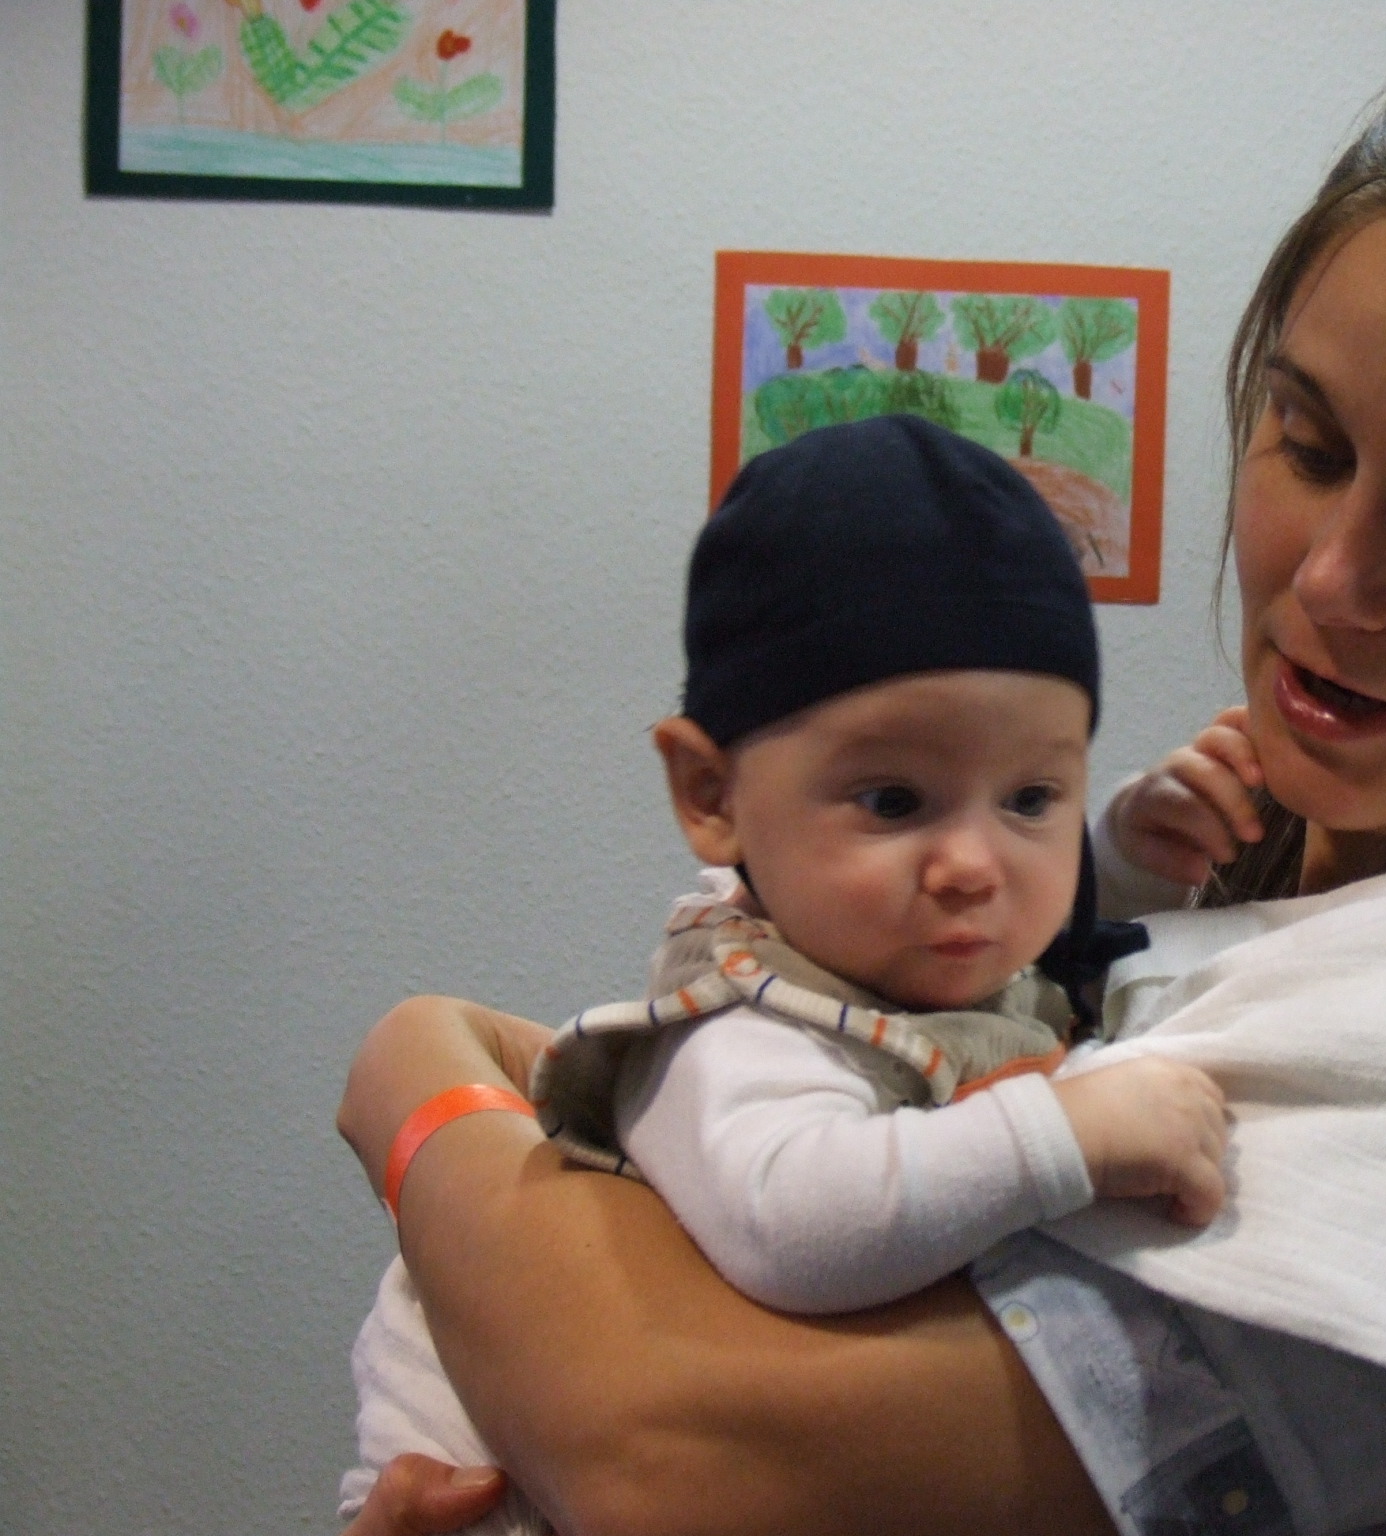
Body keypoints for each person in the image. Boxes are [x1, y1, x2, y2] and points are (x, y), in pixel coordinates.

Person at [336, 4, 1386, 1532]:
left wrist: (421, 1084)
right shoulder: (1278, 877)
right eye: (1306, 441)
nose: (1325, 580)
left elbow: (665, 1443)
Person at [342, 416, 1228, 1530]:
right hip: (498, 1495)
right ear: (711, 796)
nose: (973, 866)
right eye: (893, 801)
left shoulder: (911, 959)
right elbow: (793, 1225)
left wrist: (1128, 857)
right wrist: (1067, 1137)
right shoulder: (743, 1031)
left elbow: (1048, 967)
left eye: (1030, 798)